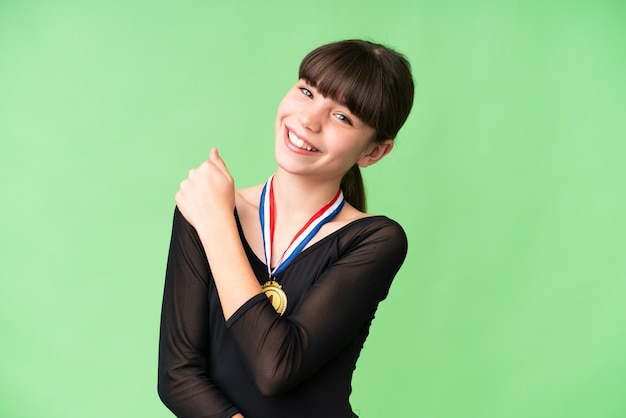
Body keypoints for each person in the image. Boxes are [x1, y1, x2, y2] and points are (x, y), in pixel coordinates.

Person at [158, 39, 415, 418]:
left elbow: (276, 367)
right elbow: (177, 375)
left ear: (373, 152)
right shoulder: (207, 207)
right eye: (307, 91)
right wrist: (214, 216)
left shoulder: (376, 240)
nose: (310, 120)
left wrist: (217, 227)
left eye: (342, 117)